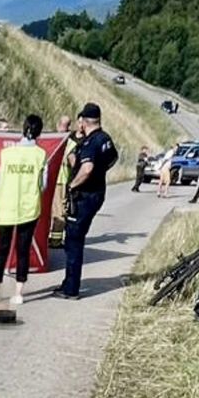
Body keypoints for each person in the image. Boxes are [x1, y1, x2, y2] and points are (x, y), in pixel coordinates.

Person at [55, 103, 117, 300]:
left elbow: (87, 168)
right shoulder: (105, 139)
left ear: (83, 121)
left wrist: (73, 185)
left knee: (73, 241)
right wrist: (75, 158)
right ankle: (68, 281)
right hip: (97, 193)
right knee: (75, 239)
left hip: (85, 196)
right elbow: (111, 159)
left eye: (79, 121)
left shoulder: (91, 142)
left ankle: (71, 288)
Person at [0, 114, 48, 306]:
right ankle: (19, 293)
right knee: (22, 250)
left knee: (1, 250)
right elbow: (43, 185)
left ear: (23, 129)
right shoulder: (41, 155)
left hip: (5, 206)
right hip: (28, 208)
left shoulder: (7, 153)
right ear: (39, 132)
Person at [49, 115, 75, 247]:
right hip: (60, 181)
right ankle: (55, 240)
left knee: (52, 211)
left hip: (49, 180)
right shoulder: (69, 143)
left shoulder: (49, 140)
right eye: (67, 125)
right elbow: (74, 163)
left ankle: (51, 237)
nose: (68, 128)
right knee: (60, 212)